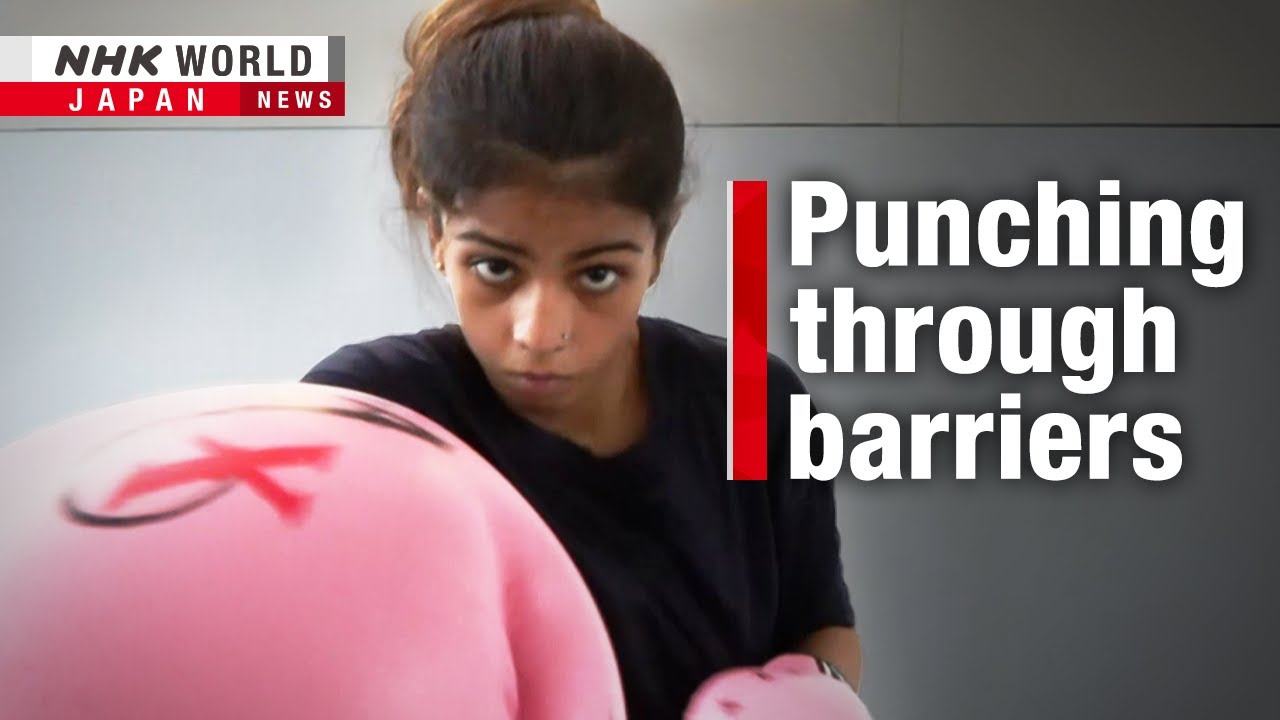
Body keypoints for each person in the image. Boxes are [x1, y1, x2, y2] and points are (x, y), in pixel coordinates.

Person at [301, 0, 863, 717]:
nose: (541, 333)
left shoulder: (753, 399)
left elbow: (822, 622)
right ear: (437, 230)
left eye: (598, 274)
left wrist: (808, 692)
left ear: (659, 245)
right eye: (496, 268)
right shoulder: (371, 418)